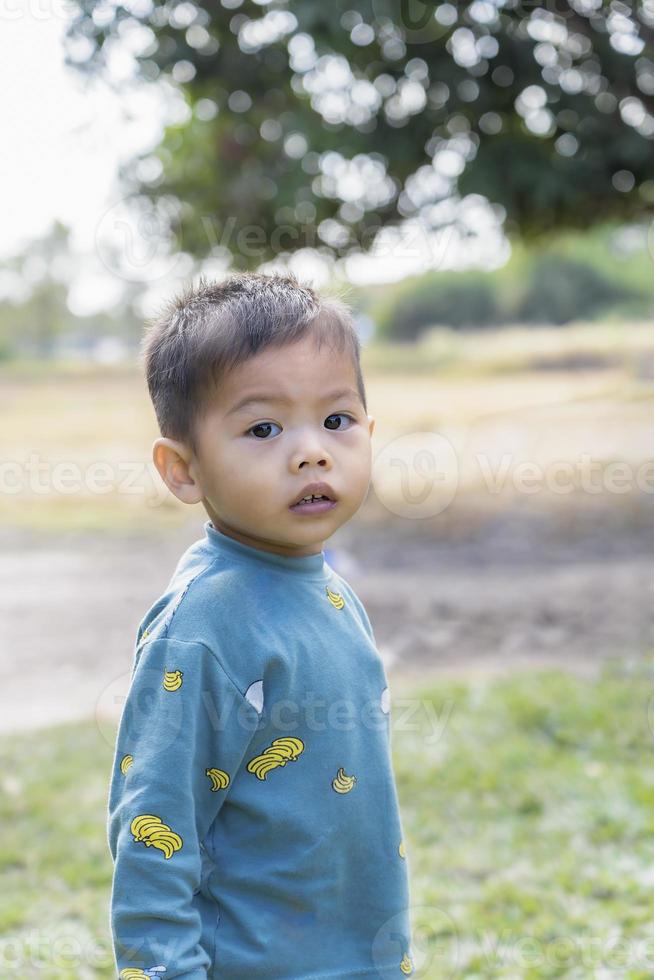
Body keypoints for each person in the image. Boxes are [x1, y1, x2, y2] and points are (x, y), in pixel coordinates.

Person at [107, 272, 414, 979]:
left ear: (369, 432)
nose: (311, 451)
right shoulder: (204, 625)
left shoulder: (329, 588)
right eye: (263, 428)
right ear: (183, 470)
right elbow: (154, 826)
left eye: (336, 420)